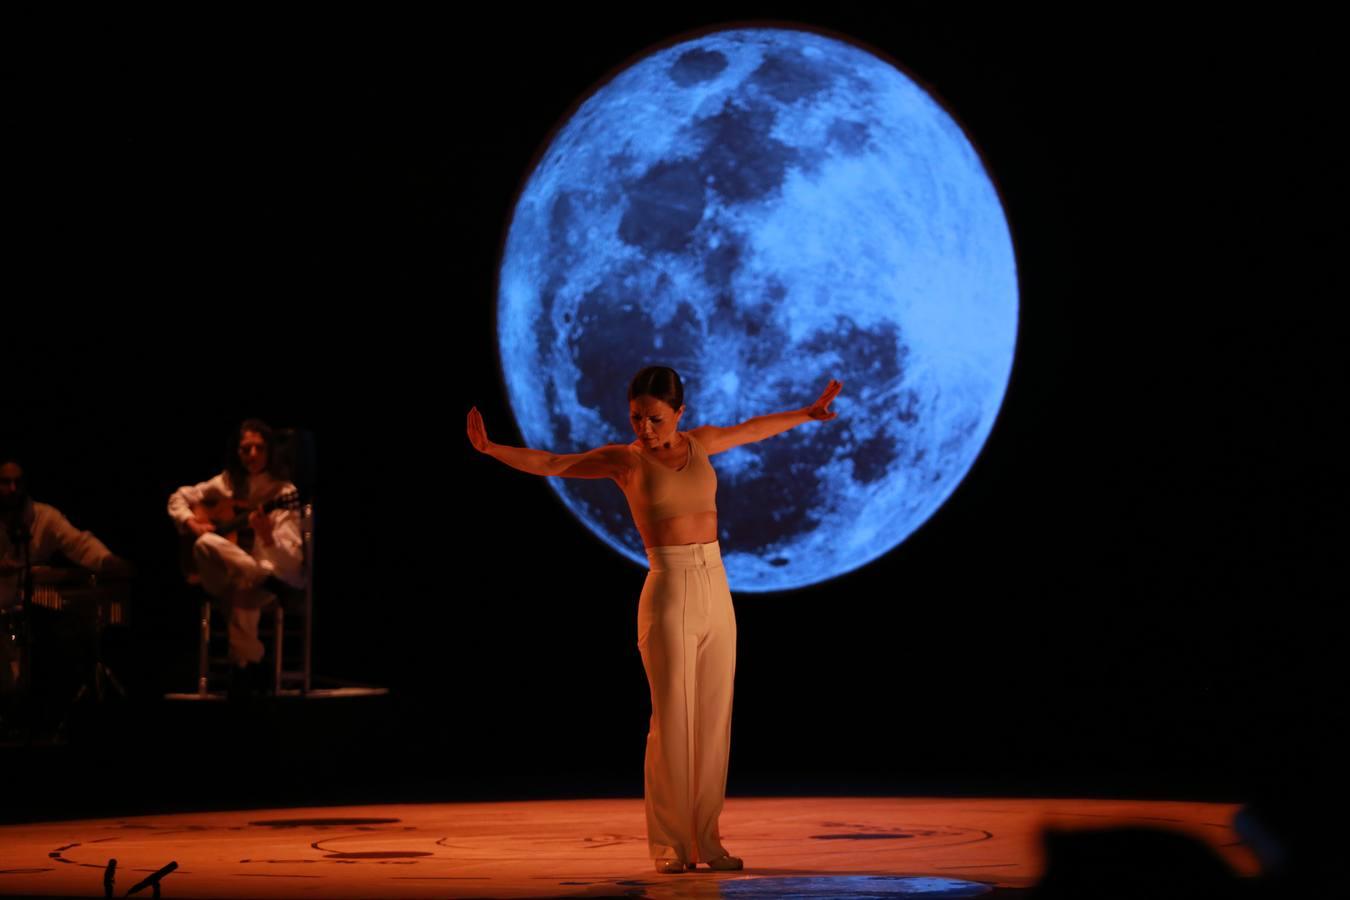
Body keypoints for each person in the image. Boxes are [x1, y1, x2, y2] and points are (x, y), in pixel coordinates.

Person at [468, 366, 842, 874]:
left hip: (716, 587)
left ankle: (707, 842)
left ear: (679, 413)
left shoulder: (702, 444)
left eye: (655, 418)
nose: (645, 428)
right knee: (672, 721)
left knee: (713, 721)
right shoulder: (625, 461)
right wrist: (492, 449)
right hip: (667, 589)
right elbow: (554, 462)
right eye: (637, 417)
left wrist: (806, 413)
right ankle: (669, 845)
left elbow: (753, 427)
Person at [167, 419, 304, 694]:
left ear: (270, 451)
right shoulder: (228, 483)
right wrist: (192, 524)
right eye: (245, 449)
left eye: (259, 448)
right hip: (233, 575)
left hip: (264, 577)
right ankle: (252, 669)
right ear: (237, 452)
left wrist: (266, 537)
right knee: (205, 542)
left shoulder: (283, 492)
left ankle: (246, 665)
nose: (252, 455)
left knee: (241, 587)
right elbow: (178, 498)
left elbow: (292, 558)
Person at [1, 455, 134, 692]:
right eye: (5, 482)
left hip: (28, 620)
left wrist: (108, 562)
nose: (12, 489)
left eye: (17, 482)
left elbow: (79, 544)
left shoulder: (44, 517)